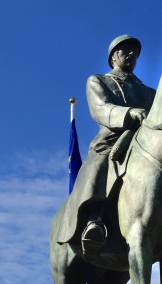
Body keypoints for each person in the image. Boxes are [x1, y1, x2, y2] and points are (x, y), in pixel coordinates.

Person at [56, 35, 156, 253]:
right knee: (99, 165)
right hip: (113, 140)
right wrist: (130, 113)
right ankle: (94, 218)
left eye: (134, 52)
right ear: (113, 57)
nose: (131, 54)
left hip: (148, 143)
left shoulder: (150, 93)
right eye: (125, 50)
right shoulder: (99, 81)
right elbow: (100, 108)